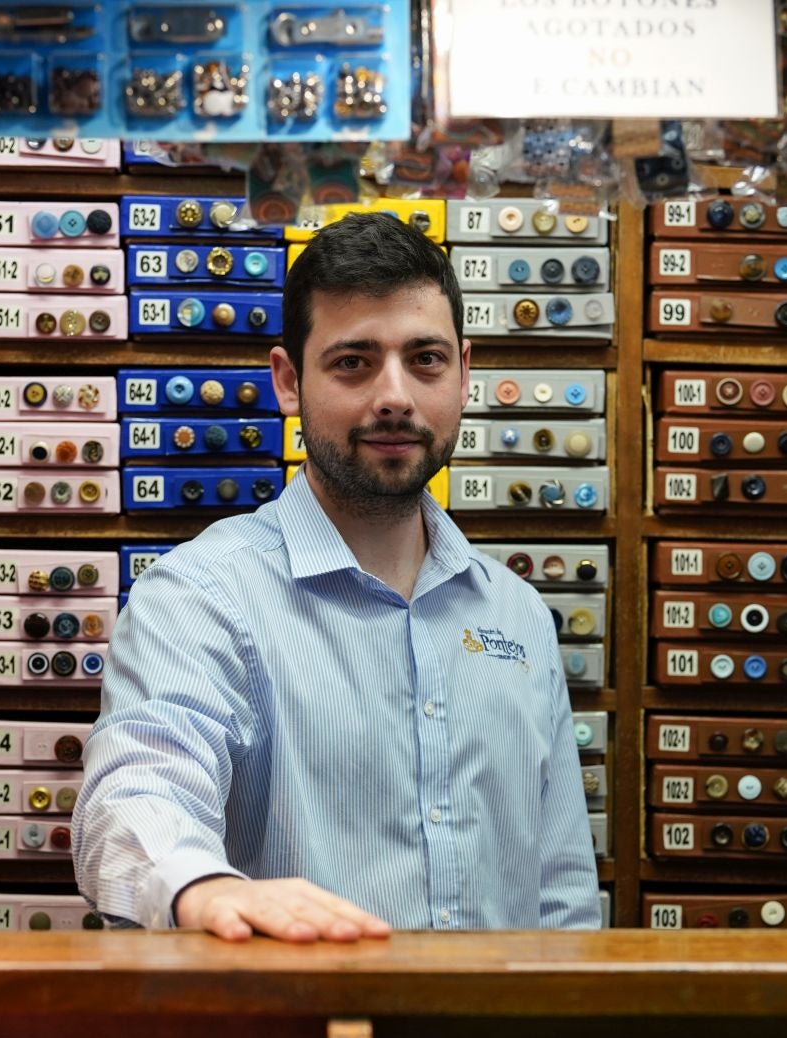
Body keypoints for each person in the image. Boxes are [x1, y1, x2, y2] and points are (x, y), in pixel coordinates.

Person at [73, 212, 600, 941]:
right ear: (288, 381)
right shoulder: (200, 597)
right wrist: (200, 885)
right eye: (354, 361)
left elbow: (561, 889)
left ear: (465, 373)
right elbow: (134, 790)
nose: (395, 395)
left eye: (426, 359)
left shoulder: (517, 615)